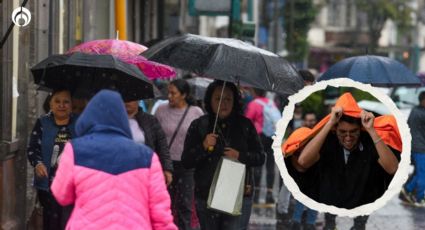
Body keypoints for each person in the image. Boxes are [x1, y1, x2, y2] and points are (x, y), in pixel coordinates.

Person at [50, 90, 177, 230]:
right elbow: (160, 212)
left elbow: (61, 195)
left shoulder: (74, 150)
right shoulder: (147, 156)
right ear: (122, 119)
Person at [290, 96, 400, 229]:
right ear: (335, 130)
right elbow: (303, 161)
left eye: (353, 132)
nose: (348, 138)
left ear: (360, 129)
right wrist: (329, 123)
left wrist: (371, 130)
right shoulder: (328, 140)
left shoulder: (368, 140)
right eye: (342, 132)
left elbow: (392, 168)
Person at [181, 80, 265, 230]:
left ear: (235, 101)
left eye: (228, 99)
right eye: (218, 99)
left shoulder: (245, 125)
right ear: (210, 100)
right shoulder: (200, 125)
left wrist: (240, 156)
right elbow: (187, 160)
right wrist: (204, 147)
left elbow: (260, 156)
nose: (223, 103)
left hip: (238, 195)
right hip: (206, 195)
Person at [155, 79, 204, 230]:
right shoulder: (161, 110)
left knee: (185, 205)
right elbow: (155, 136)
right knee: (164, 205)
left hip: (187, 166)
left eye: (173, 93)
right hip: (165, 165)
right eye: (168, 92)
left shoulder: (196, 113)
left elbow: (201, 138)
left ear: (184, 95)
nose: (169, 96)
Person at [27, 88, 77, 230]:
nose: (61, 105)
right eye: (57, 101)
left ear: (71, 105)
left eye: (66, 102)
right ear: (51, 104)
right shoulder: (43, 123)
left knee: (69, 222)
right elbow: (32, 149)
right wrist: (38, 164)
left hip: (71, 185)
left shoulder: (79, 123)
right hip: (48, 185)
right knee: (50, 223)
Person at [124, 100, 173, 186]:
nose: (127, 102)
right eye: (124, 98)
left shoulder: (150, 121)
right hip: (121, 170)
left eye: (131, 99)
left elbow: (162, 145)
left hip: (144, 170)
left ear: (138, 100)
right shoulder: (114, 120)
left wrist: (167, 168)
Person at [245, 88, 280, 204]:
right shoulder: (271, 103)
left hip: (259, 136)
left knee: (258, 164)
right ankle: (269, 194)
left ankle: (256, 194)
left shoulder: (254, 104)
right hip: (272, 137)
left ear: (254, 92)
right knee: (270, 164)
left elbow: (248, 121)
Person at [289, 112, 318, 230]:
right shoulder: (299, 135)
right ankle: (296, 221)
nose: (310, 122)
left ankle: (310, 223)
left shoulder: (320, 134)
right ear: (304, 121)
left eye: (312, 120)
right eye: (308, 120)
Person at [400, 91, 425, 206]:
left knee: (419, 172)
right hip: (420, 148)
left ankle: (407, 190)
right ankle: (419, 198)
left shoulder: (414, 110)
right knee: (422, 174)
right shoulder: (422, 114)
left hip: (414, 147)